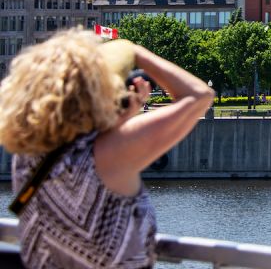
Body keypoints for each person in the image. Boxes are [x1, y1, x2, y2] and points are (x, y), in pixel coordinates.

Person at [0, 28, 214, 268]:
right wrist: (134, 51)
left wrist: (122, 116)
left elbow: (72, 144)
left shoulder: (26, 153)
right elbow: (199, 96)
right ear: (94, 91)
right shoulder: (111, 154)